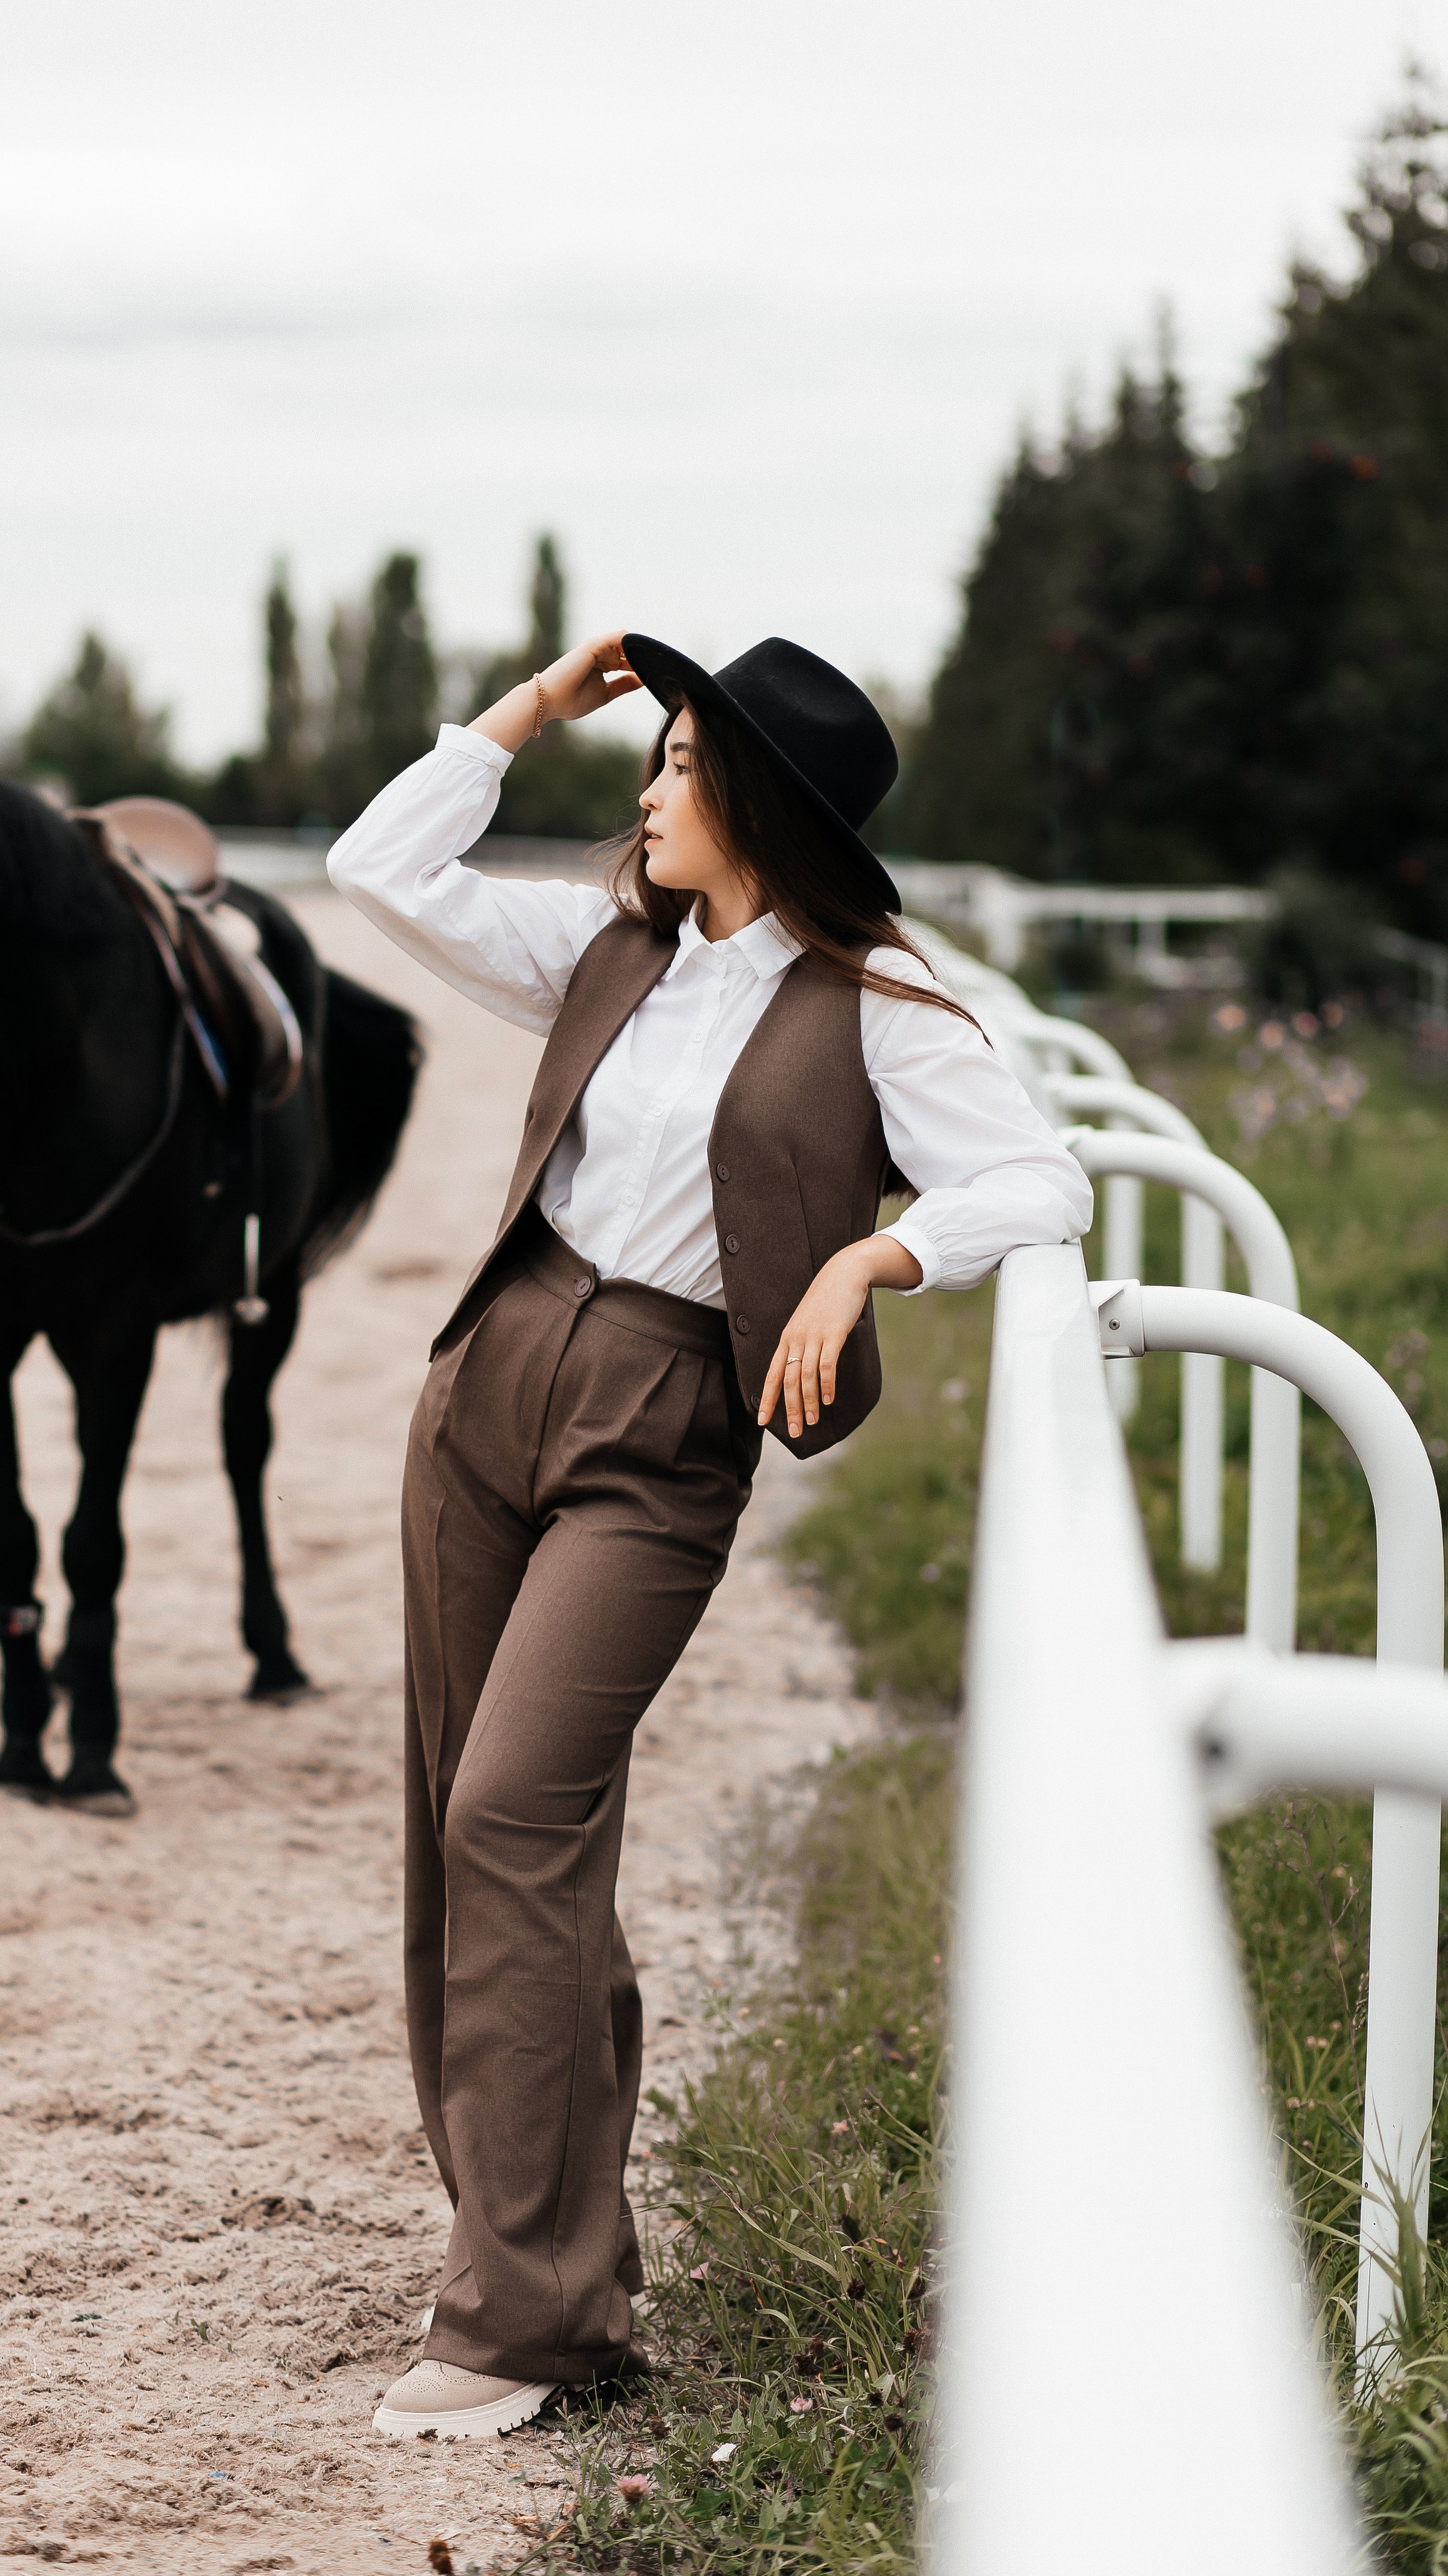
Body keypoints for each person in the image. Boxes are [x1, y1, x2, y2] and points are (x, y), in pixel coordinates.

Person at [326, 629, 1092, 2441]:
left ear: (756, 798)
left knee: (513, 1806)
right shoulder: (604, 954)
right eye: (650, 753)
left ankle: (519, 2320)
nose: (645, 786)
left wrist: (868, 1251)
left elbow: (1041, 1178)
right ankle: (550, 2256)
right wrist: (526, 708)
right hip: (486, 1389)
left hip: (662, 1438)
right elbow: (379, 867)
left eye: (675, 761)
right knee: (467, 1823)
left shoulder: (881, 1010)